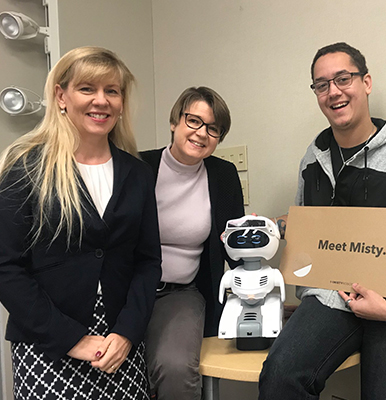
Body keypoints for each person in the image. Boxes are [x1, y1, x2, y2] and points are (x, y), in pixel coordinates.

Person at [258, 42, 386, 400]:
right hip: (332, 296)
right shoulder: (312, 161)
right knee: (280, 375)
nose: (333, 92)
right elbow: (309, 227)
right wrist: (270, 226)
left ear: (366, 83)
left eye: (343, 79)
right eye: (322, 84)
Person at [0, 46, 162, 400]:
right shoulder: (25, 168)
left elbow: (148, 262)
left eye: (112, 91)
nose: (101, 101)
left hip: (119, 346)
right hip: (49, 343)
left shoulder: (138, 174)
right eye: (87, 89)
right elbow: (7, 268)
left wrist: (128, 333)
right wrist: (72, 339)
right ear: (61, 95)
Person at [139, 86, 244, 399]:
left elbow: (233, 245)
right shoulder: (137, 167)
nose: (202, 133)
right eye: (194, 121)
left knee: (174, 368)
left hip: (180, 294)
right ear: (175, 122)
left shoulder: (223, 175)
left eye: (213, 128)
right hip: (130, 288)